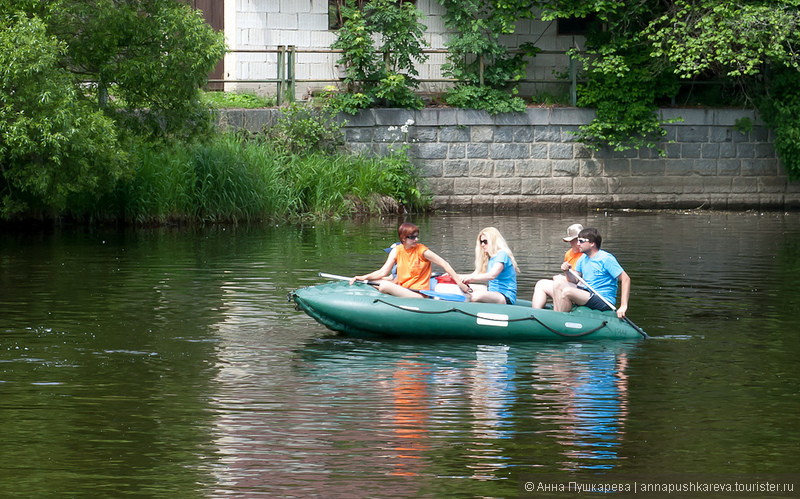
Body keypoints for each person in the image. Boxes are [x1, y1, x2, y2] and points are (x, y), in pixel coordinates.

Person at [350, 222, 471, 299]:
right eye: (412, 237)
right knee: (378, 280)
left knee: (384, 286)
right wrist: (362, 277)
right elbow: (382, 272)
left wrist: (460, 283)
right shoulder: (396, 251)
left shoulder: (422, 251)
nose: (416, 239)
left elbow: (444, 264)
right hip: (403, 288)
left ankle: (386, 291)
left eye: (417, 236)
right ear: (403, 238)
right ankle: (371, 285)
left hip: (418, 293)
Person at [552, 228, 631, 319]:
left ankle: (561, 320)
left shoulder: (606, 258)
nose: (578, 244)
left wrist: (623, 306)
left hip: (603, 299)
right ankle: (556, 316)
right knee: (558, 283)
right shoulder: (582, 258)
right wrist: (567, 272)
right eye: (578, 241)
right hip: (587, 293)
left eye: (581, 241)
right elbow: (574, 280)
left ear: (592, 243)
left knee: (567, 291)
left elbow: (626, 279)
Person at [460, 227, 519, 304]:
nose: (482, 244)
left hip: (504, 295)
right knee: (460, 287)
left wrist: (470, 278)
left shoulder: (502, 254)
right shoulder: (490, 257)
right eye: (481, 242)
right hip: (491, 290)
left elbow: (492, 275)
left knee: (477, 296)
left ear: (493, 241)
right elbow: (476, 274)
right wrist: (454, 276)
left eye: (485, 241)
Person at [531, 223, 584, 309]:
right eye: (575, 240)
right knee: (541, 284)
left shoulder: (585, 255)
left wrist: (562, 278)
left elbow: (579, 280)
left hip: (580, 290)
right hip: (570, 284)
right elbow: (571, 277)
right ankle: (535, 313)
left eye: (580, 240)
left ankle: (557, 313)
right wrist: (564, 275)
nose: (578, 243)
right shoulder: (568, 254)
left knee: (558, 282)